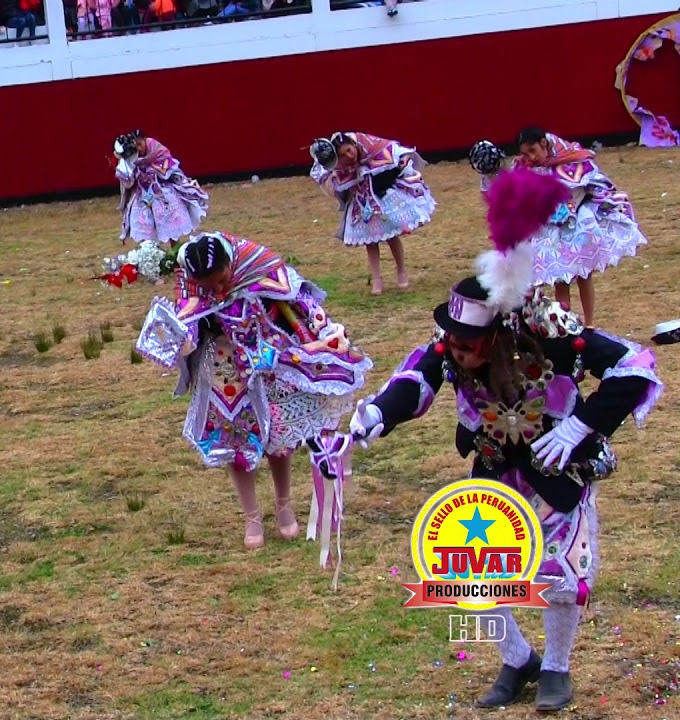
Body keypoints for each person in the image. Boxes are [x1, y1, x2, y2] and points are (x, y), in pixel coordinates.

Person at [349, 168, 662, 712]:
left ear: (495, 336)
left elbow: (635, 365)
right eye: (452, 342)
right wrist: (377, 413)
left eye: (469, 346)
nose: (457, 353)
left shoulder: (553, 336)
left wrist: (579, 426)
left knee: (560, 573)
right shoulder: (450, 347)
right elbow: (416, 379)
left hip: (557, 469)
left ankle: (558, 669)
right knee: (471, 571)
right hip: (495, 468)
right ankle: (517, 659)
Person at [136, 231, 371, 565]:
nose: (219, 291)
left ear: (232, 263)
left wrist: (319, 332)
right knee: (234, 440)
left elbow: (293, 297)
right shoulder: (188, 277)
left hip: (268, 358)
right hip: (223, 369)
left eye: (223, 279)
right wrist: (182, 339)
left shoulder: (255, 261)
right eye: (210, 286)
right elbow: (185, 317)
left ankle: (284, 505)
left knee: (278, 436)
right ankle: (252, 516)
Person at [469, 129, 646, 329]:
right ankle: (568, 325)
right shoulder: (524, 168)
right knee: (561, 279)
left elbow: (594, 184)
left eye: (533, 150)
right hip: (550, 231)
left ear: (544, 143)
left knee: (584, 275)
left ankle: (589, 324)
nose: (530, 157)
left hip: (578, 226)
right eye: (525, 153)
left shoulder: (572, 157)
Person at [308, 131, 436, 294]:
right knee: (370, 241)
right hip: (361, 202)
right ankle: (377, 279)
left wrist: (401, 163)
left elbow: (391, 150)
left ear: (353, 145)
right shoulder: (339, 165)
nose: (349, 155)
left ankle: (401, 271)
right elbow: (324, 171)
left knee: (391, 236)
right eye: (343, 154)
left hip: (382, 196)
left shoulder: (369, 144)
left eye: (349, 150)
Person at [113, 129, 210, 247]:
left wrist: (157, 171)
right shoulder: (131, 157)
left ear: (145, 140)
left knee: (171, 228)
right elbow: (128, 179)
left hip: (161, 192)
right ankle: (151, 256)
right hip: (143, 195)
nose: (139, 148)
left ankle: (175, 253)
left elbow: (168, 167)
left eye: (140, 144)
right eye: (136, 145)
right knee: (145, 231)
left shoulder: (156, 149)